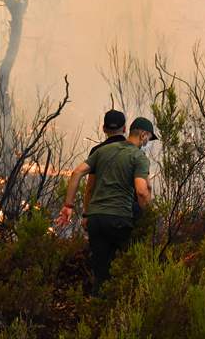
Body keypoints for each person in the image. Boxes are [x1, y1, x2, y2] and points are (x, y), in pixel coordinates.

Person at [56, 117, 157, 295]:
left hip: (95, 219)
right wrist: (148, 216)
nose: (147, 142)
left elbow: (77, 172)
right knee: (126, 265)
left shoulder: (104, 151)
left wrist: (68, 205)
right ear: (143, 135)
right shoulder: (138, 157)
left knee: (101, 272)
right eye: (148, 138)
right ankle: (121, 308)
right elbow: (141, 191)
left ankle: (95, 310)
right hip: (119, 218)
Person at [83, 109, 127, 228]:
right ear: (124, 129)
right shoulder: (134, 152)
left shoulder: (96, 151)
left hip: (98, 216)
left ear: (104, 129)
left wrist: (86, 215)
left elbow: (90, 188)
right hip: (125, 216)